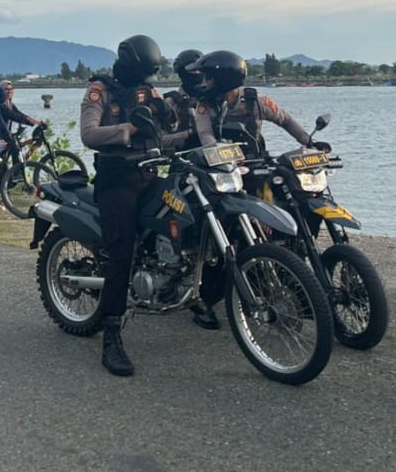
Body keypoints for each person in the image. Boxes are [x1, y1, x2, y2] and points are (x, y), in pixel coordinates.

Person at [80, 34, 175, 376]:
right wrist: (130, 128)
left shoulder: (149, 92)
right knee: (121, 253)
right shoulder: (99, 91)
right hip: (115, 182)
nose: (146, 78)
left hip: (148, 176)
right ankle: (111, 336)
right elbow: (89, 135)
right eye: (144, 71)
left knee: (182, 217)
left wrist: (182, 130)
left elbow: (164, 133)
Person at [189, 50, 323, 154]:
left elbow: (285, 120)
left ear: (222, 79)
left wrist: (310, 142)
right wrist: (218, 152)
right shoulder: (205, 105)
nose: (204, 84)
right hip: (221, 166)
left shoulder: (255, 101)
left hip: (255, 160)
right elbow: (205, 133)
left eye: (208, 79)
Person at [160, 49, 205, 150]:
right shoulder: (170, 103)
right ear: (182, 72)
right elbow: (160, 141)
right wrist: (188, 135)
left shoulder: (212, 100)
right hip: (184, 155)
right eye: (193, 70)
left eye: (200, 70)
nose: (197, 73)